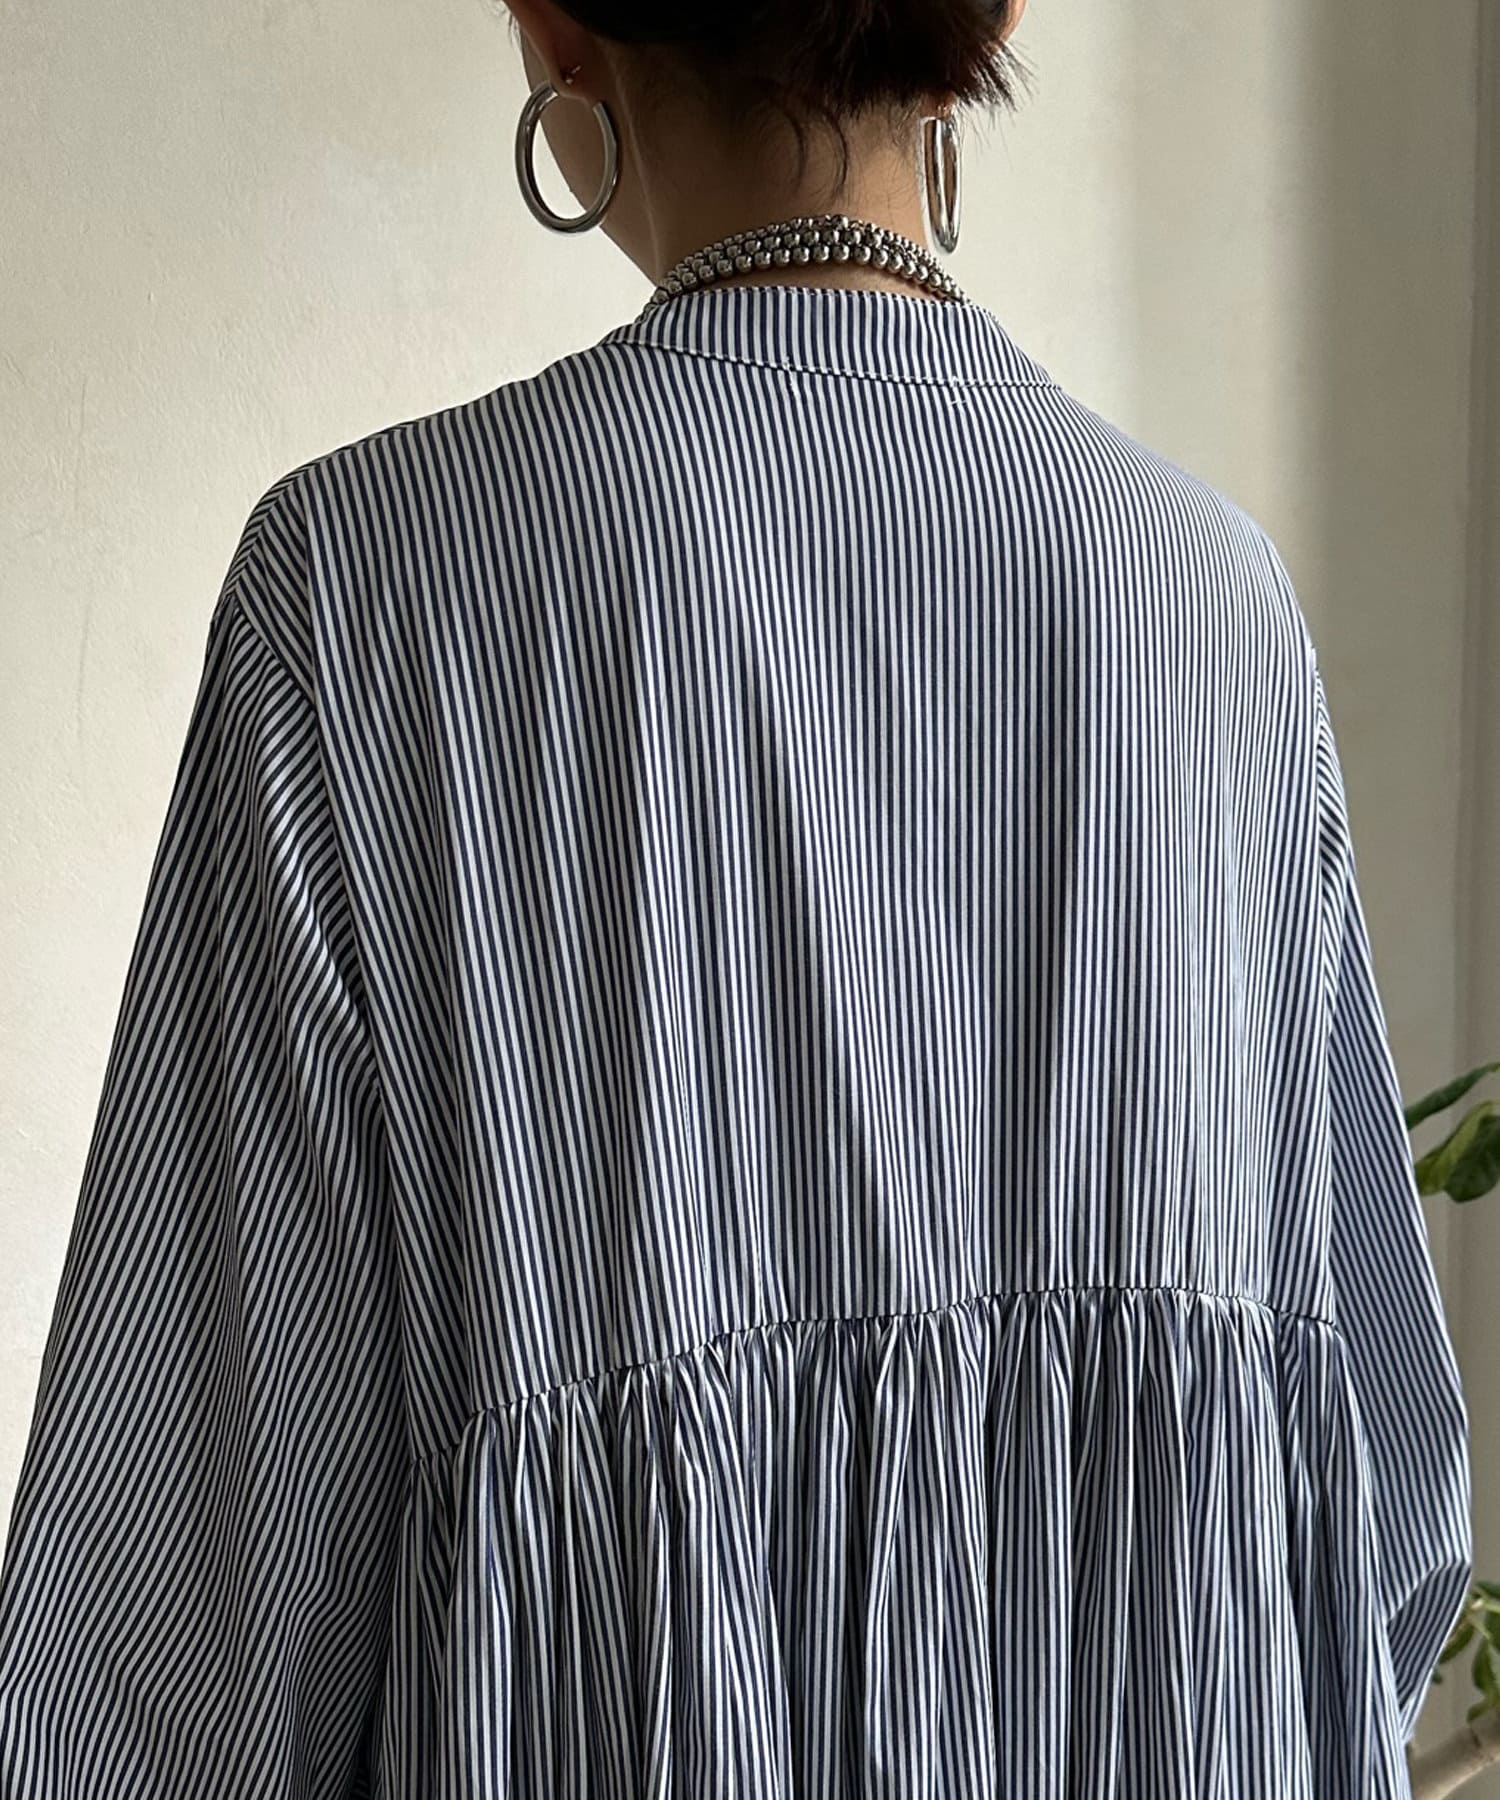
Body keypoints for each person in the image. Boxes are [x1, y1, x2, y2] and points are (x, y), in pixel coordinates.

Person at [0, 1, 1474, 1795]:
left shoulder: (372, 598)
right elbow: (1385, 1532)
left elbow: (161, 1658)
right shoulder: (1218, 609)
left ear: (556, 28)